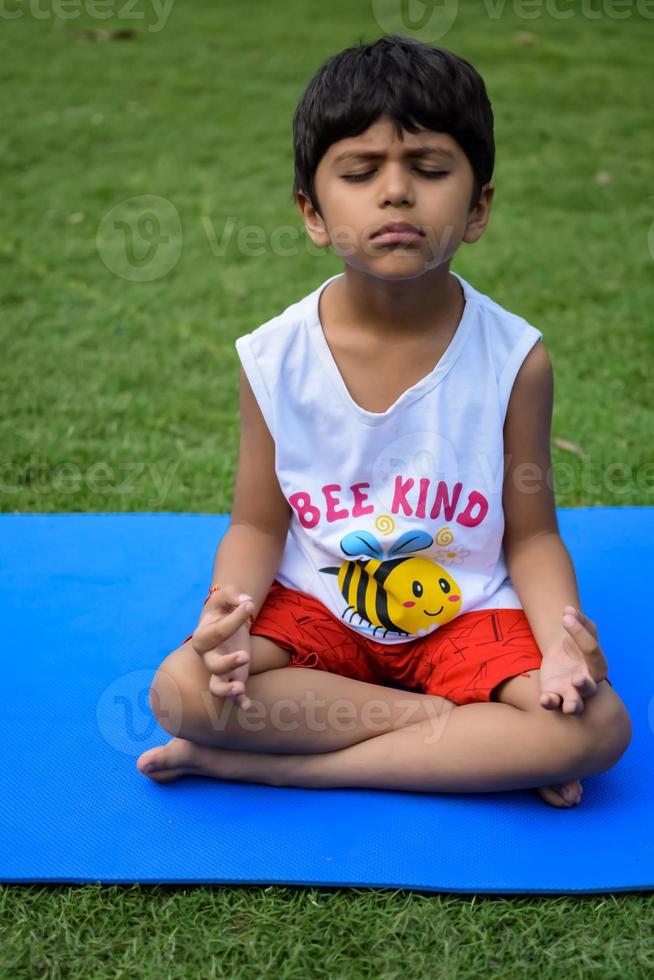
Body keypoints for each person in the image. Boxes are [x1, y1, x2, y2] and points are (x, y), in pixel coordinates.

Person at [137, 35, 632, 806]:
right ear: (311, 211)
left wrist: (565, 642)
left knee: (597, 729)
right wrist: (226, 616)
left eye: (431, 171)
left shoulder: (515, 359)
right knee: (179, 691)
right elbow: (258, 527)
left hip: (463, 614)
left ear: (479, 208)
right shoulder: (273, 357)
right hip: (319, 610)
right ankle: (461, 738)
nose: (396, 194)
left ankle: (269, 766)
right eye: (361, 172)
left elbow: (531, 534)